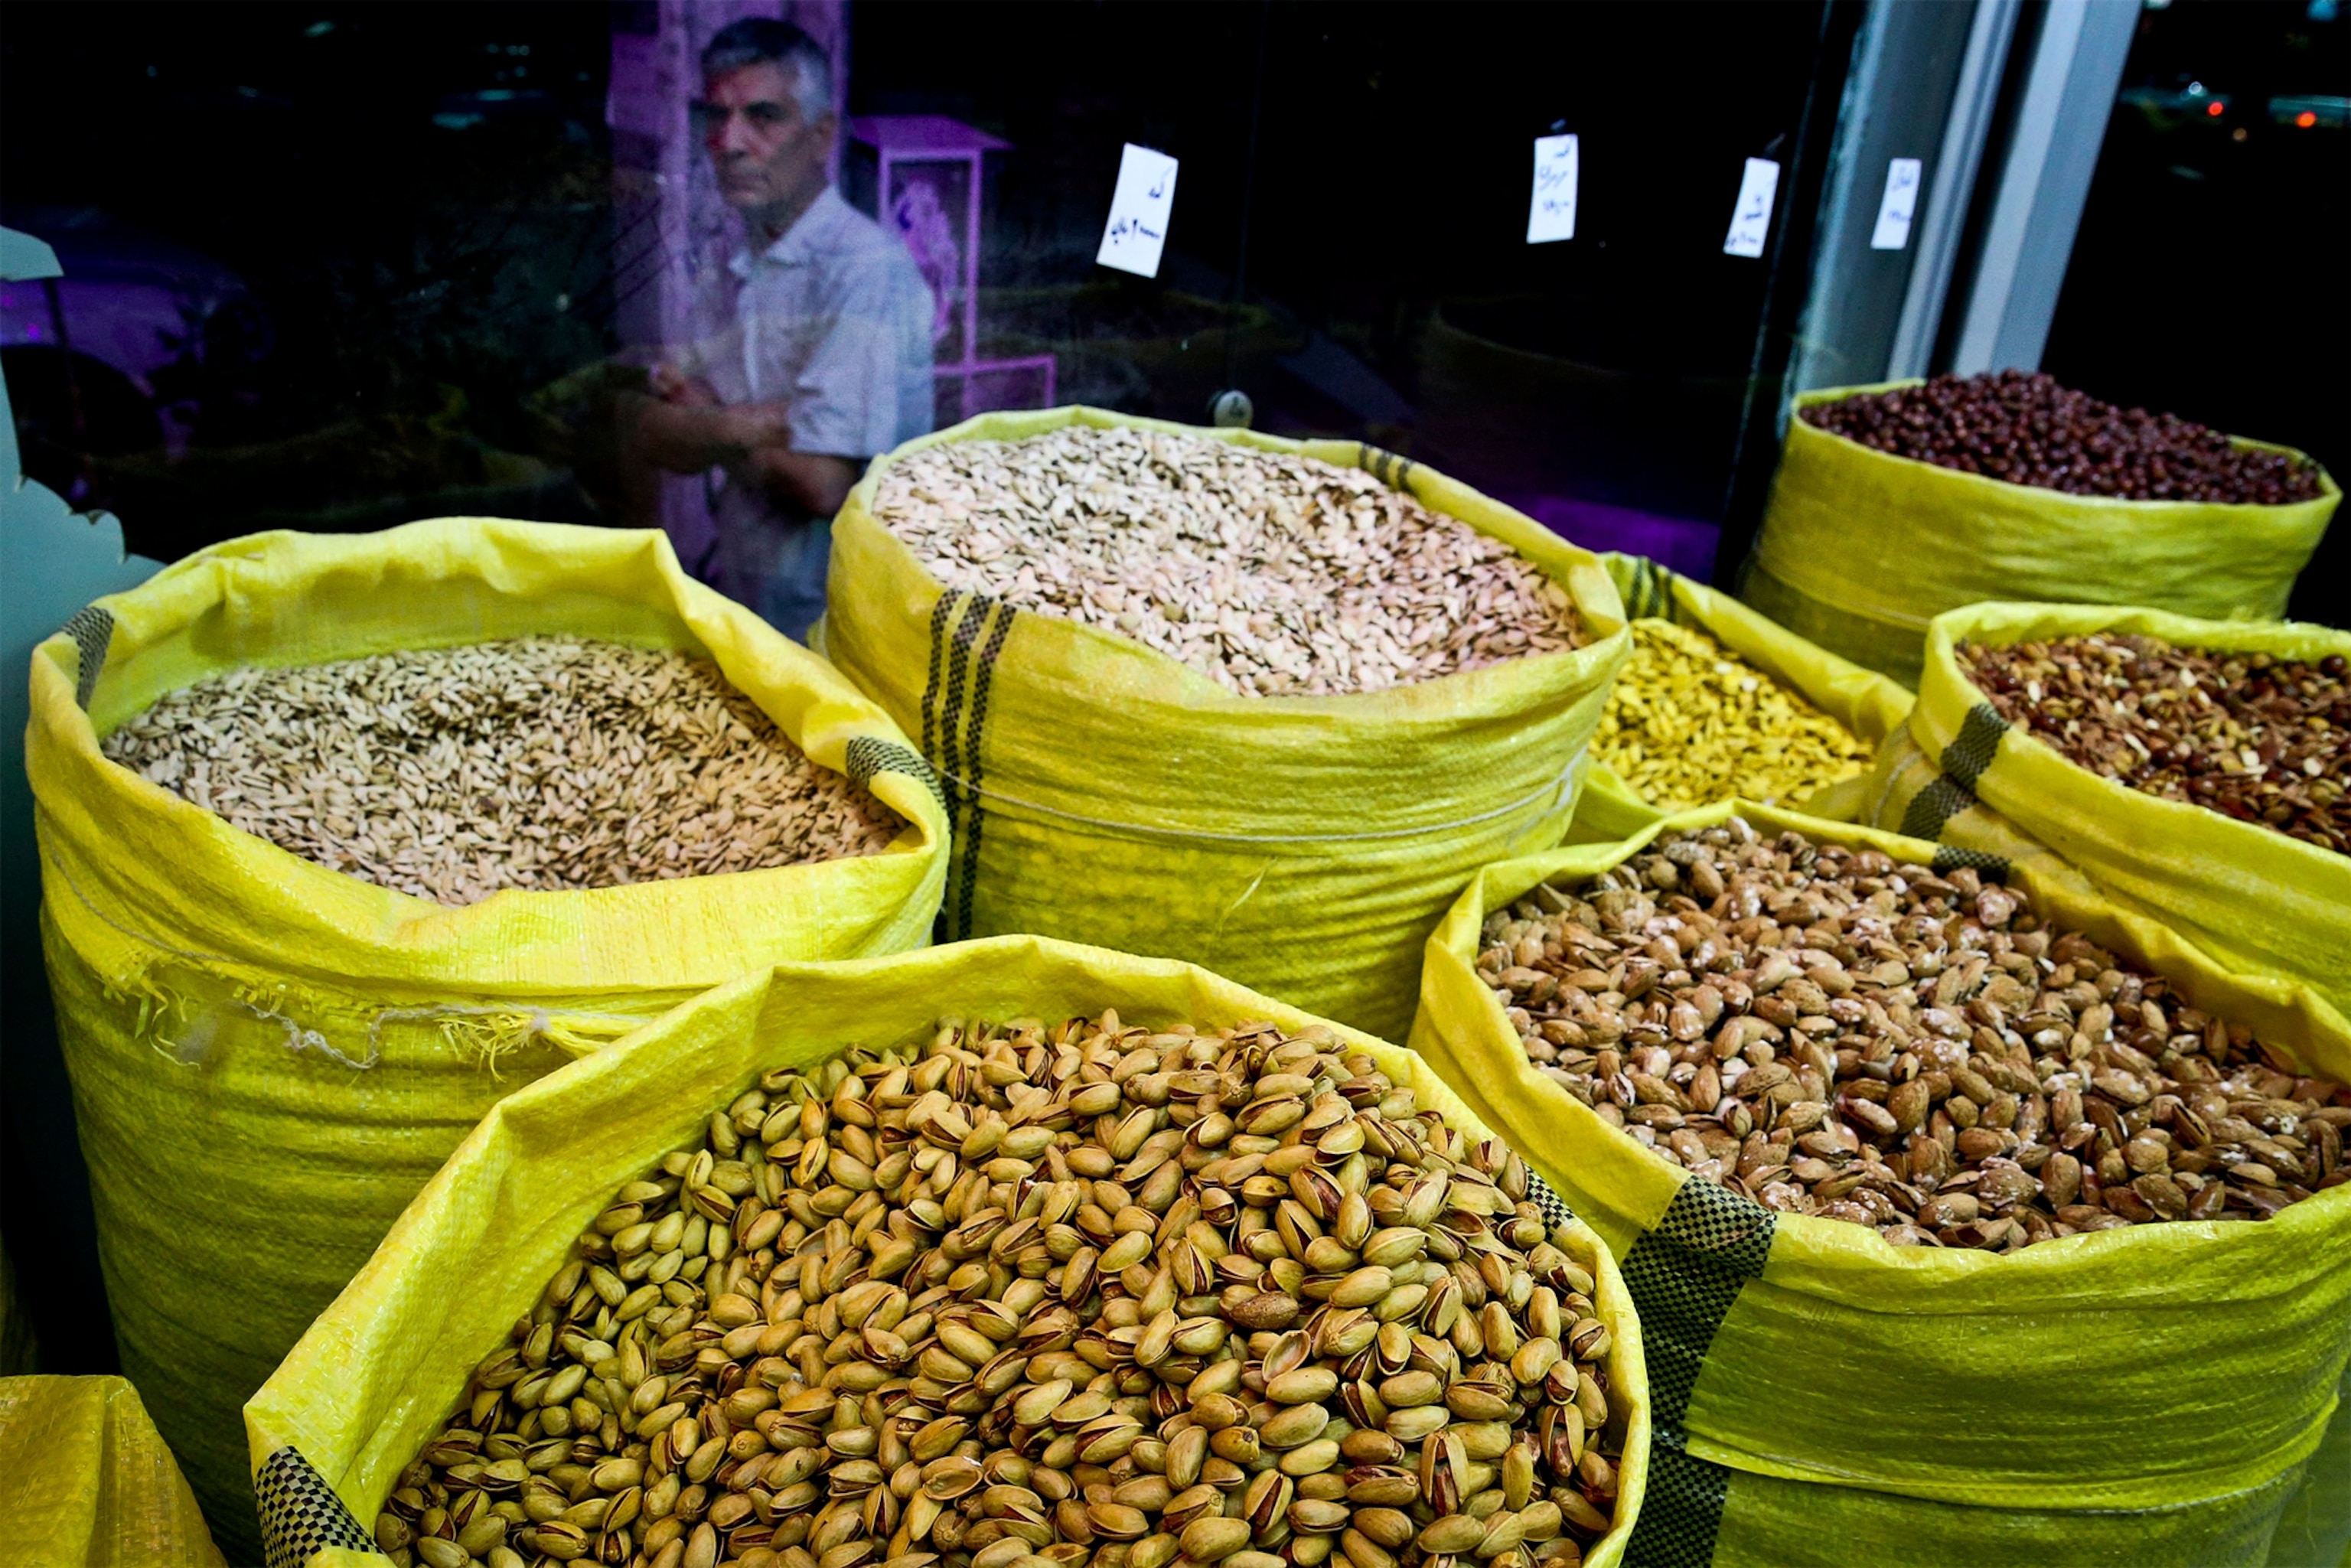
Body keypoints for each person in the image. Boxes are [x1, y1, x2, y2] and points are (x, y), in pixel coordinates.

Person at [630, 18, 934, 642]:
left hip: (834, 631)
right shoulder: (741, 260)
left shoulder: (861, 268)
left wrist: (709, 418)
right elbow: (657, 436)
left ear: (821, 136)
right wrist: (760, 422)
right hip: (754, 605)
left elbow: (820, 484)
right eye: (715, 118)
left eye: (763, 117)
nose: (730, 142)